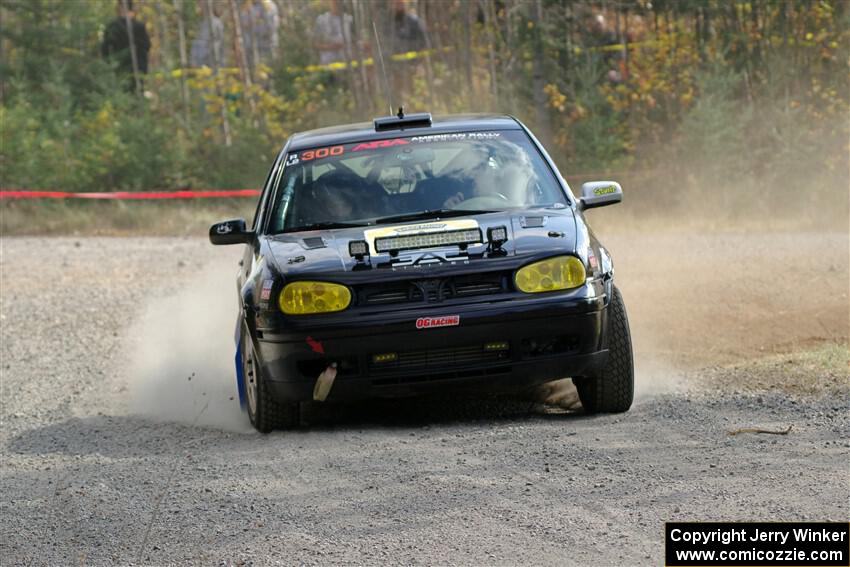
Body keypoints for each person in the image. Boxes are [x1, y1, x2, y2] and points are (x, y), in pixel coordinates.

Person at [101, 0, 151, 92]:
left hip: (120, 69)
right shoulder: (139, 26)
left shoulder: (113, 26)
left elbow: (105, 50)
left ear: (120, 7)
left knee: (123, 93)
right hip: (136, 70)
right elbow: (147, 46)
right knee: (136, 93)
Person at [313, 0, 354, 66]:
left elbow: (355, 42)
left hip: (347, 63)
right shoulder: (321, 20)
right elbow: (315, 44)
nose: (337, 3)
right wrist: (330, 47)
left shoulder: (349, 19)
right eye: (334, 1)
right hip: (327, 64)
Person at [190, 3, 225, 68]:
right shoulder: (201, 23)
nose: (199, 7)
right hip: (201, 61)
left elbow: (220, 43)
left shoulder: (217, 23)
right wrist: (194, 59)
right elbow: (197, 43)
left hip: (213, 61)